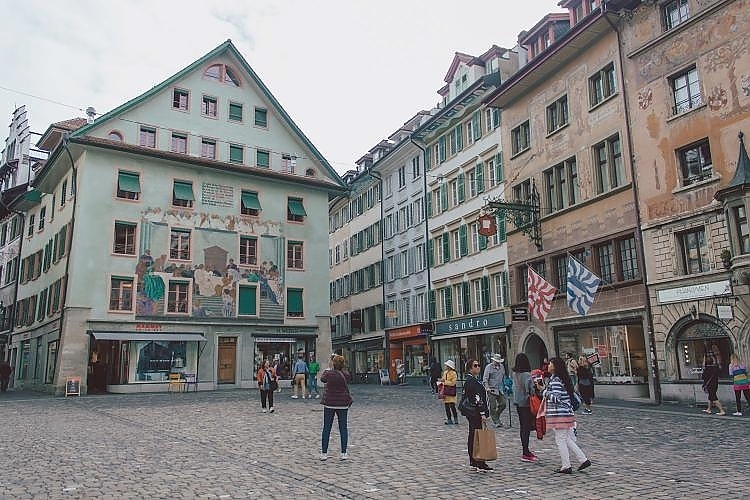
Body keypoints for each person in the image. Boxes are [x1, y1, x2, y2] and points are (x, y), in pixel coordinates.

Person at [541, 357, 590, 474]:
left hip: (560, 413)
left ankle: (566, 465)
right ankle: (583, 459)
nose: (548, 366)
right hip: (564, 413)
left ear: (555, 366)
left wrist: (544, 392)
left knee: (560, 439)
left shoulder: (556, 380)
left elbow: (556, 398)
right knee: (566, 438)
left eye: (550, 364)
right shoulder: (559, 378)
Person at [319, 354, 353, 460]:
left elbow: (322, 379)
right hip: (343, 404)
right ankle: (343, 453)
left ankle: (324, 453)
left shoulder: (329, 373)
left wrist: (329, 367)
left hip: (329, 403)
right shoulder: (346, 374)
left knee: (327, 428)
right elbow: (349, 379)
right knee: (343, 428)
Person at [463, 358, 493, 472]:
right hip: (475, 413)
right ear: (470, 368)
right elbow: (477, 398)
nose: (478, 367)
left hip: (472, 413)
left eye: (479, 365)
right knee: (476, 436)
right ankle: (478, 461)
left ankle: (475, 460)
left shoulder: (472, 380)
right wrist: (482, 413)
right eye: (475, 365)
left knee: (474, 435)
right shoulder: (472, 381)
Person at [512, 353, 537, 463]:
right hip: (526, 403)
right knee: (526, 427)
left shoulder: (515, 374)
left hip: (518, 402)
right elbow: (531, 390)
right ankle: (525, 451)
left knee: (523, 427)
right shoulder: (527, 375)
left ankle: (525, 450)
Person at [482, 353, 507, 428]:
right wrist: (487, 387)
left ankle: (496, 415)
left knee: (503, 404)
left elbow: (503, 377)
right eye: (496, 361)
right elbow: (485, 379)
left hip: (499, 389)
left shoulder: (502, 367)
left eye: (498, 361)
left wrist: (505, 385)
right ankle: (496, 421)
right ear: (493, 360)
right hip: (491, 389)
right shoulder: (488, 367)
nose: (497, 362)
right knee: (493, 406)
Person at [441, 360, 459, 425]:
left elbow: (453, 383)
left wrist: (445, 381)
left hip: (451, 391)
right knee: (446, 406)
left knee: (452, 406)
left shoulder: (453, 373)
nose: (446, 366)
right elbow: (443, 380)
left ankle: (455, 418)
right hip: (446, 391)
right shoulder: (445, 372)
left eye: (447, 365)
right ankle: (449, 419)